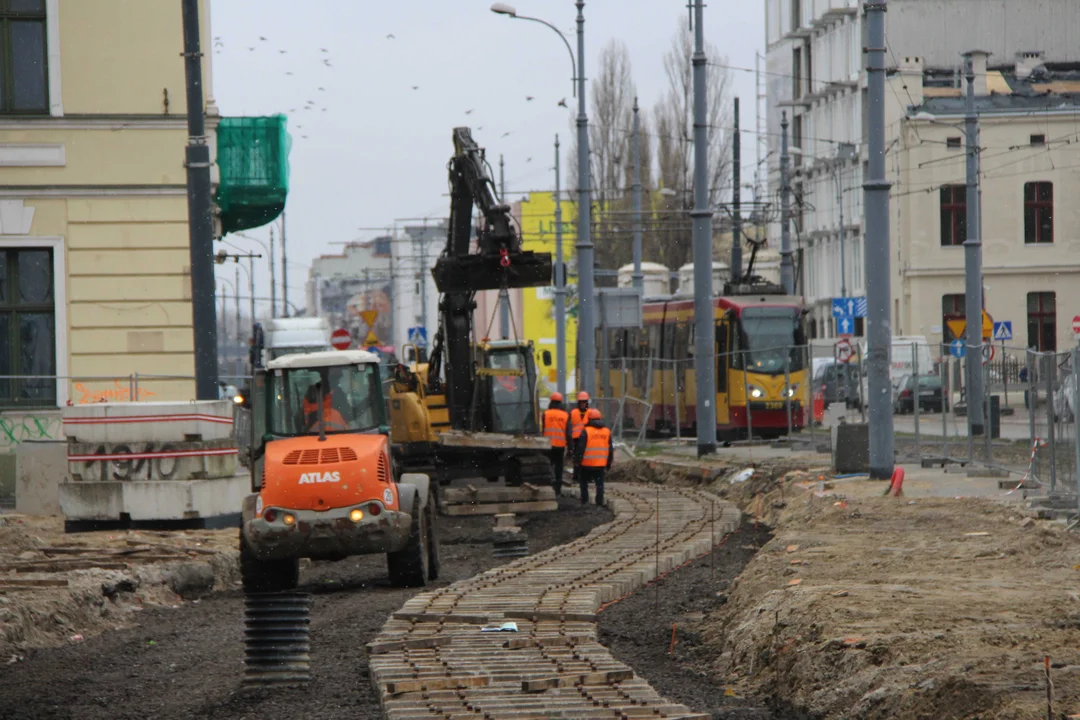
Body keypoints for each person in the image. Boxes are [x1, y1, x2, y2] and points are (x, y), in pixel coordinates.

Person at [573, 408, 613, 506]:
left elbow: (580, 447)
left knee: (583, 483)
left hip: (586, 464)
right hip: (600, 464)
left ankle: (584, 501)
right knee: (599, 485)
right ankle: (599, 503)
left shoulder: (586, 431)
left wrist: (577, 461)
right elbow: (610, 449)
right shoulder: (606, 432)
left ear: (589, 419)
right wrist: (608, 463)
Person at [541, 392, 570, 496]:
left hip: (547, 445)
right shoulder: (565, 415)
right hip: (560, 446)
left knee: (548, 466)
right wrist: (570, 448)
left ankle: (548, 487)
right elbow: (568, 433)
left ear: (551, 402)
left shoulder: (546, 414)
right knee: (559, 467)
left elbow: (542, 429)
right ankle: (557, 490)